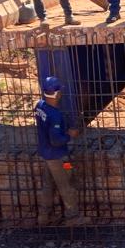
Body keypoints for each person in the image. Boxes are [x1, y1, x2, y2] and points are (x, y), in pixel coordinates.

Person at [34, 75, 81, 224]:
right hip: (59, 157)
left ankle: (44, 216)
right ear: (57, 94)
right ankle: (73, 217)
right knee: (67, 184)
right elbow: (56, 140)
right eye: (60, 91)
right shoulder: (55, 115)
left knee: (48, 185)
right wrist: (69, 135)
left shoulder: (39, 105)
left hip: (46, 156)